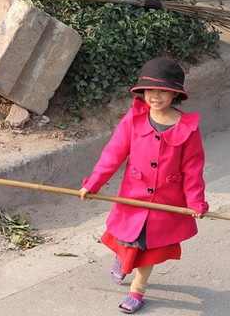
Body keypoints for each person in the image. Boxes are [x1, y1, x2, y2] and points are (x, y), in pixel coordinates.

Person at [79, 57, 209, 314]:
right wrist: (94, 184)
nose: (155, 96)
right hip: (133, 196)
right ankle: (121, 258)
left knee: (148, 248)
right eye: (150, 90)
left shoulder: (187, 129)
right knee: (126, 237)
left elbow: (193, 169)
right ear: (142, 91)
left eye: (162, 91)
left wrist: (195, 202)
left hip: (165, 204)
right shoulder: (134, 119)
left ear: (175, 94)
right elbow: (113, 154)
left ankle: (138, 290)